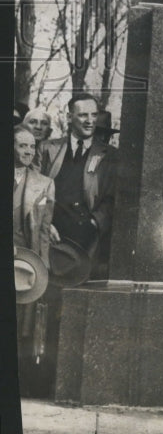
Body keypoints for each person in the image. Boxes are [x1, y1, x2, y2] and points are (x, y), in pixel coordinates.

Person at [40, 93, 117, 279]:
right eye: (83, 115)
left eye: (93, 115)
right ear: (69, 117)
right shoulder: (47, 149)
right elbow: (34, 191)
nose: (90, 121)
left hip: (85, 240)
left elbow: (113, 198)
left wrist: (94, 223)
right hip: (50, 235)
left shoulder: (110, 155)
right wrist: (45, 223)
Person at [13, 125, 55, 393]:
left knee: (20, 324)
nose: (28, 151)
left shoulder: (44, 183)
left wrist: (43, 271)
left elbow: (42, 232)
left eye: (32, 146)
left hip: (23, 264)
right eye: (21, 145)